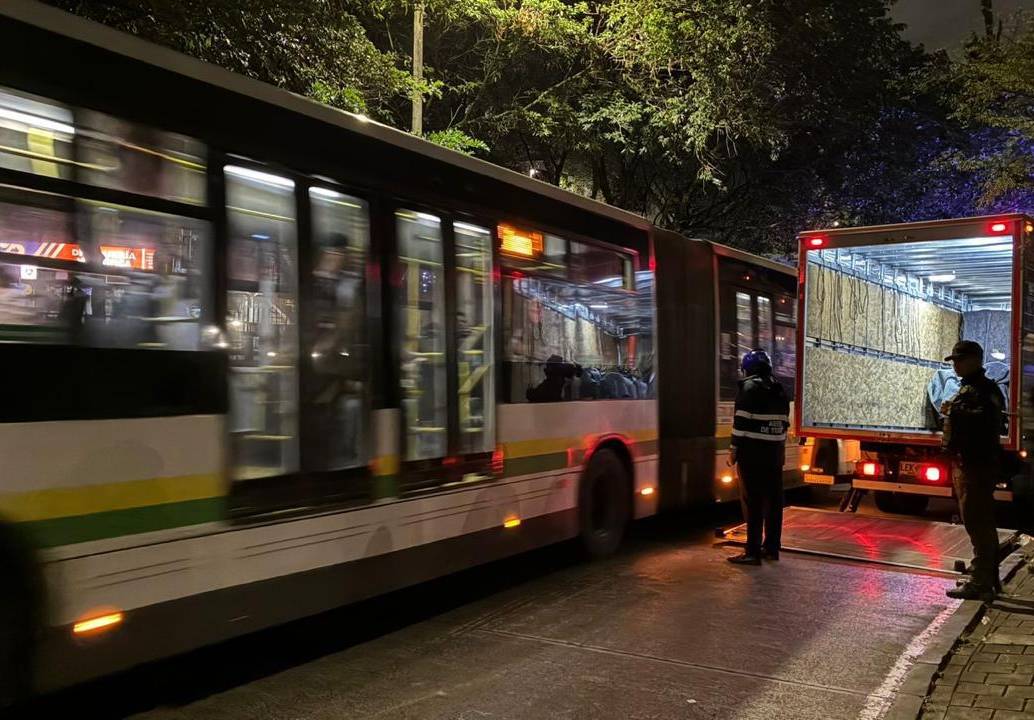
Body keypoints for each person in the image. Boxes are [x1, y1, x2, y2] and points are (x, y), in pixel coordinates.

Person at [941, 340, 1006, 601]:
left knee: (977, 522)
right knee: (976, 521)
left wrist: (956, 411)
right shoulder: (970, 388)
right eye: (954, 360)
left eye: (960, 360)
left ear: (975, 360)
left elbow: (985, 424)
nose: (955, 365)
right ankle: (986, 575)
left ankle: (981, 581)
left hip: (976, 465)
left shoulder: (982, 391)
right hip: (969, 464)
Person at [727, 349, 790, 565]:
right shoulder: (780, 390)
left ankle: (752, 552)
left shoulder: (748, 388)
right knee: (773, 503)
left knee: (752, 503)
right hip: (774, 455)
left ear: (748, 369)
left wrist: (733, 450)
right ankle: (771, 548)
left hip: (752, 455)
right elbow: (784, 424)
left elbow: (741, 423)